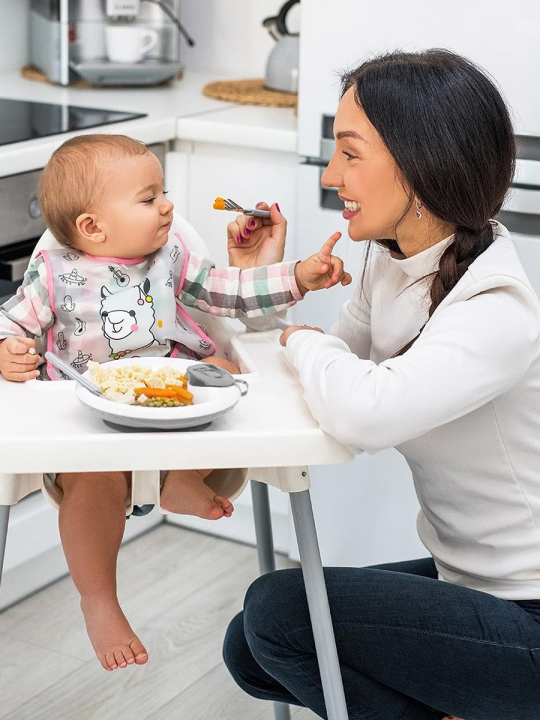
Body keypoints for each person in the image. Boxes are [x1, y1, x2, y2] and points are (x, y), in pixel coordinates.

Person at [223, 50, 540, 720]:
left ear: (421, 162)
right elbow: (323, 383)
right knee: (249, 645)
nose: (334, 174)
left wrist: (303, 342)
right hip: (474, 585)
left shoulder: (497, 308)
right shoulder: (391, 262)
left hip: (531, 611)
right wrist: (265, 295)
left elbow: (361, 410)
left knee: (280, 616)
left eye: (349, 153)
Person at [0, 134, 351, 672]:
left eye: (163, 192)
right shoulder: (51, 274)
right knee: (91, 482)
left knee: (230, 379)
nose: (168, 206)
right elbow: (12, 323)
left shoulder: (174, 258)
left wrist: (296, 277)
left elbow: (230, 291)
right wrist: (9, 351)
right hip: (93, 415)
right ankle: (98, 599)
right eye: (148, 198)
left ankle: (184, 477)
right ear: (93, 226)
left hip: (179, 398)